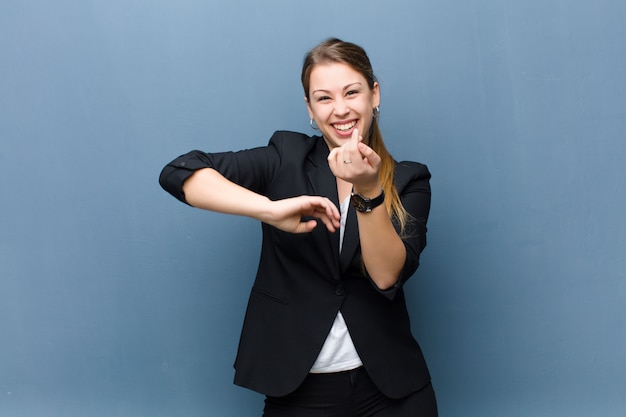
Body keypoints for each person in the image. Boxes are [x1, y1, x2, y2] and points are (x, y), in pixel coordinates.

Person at [159, 38, 437, 417]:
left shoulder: (409, 179)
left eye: (352, 92)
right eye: (323, 98)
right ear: (310, 108)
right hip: (300, 393)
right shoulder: (285, 157)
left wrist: (369, 190)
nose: (340, 110)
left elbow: (386, 276)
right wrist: (268, 209)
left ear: (374, 94)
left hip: (393, 392)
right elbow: (180, 172)